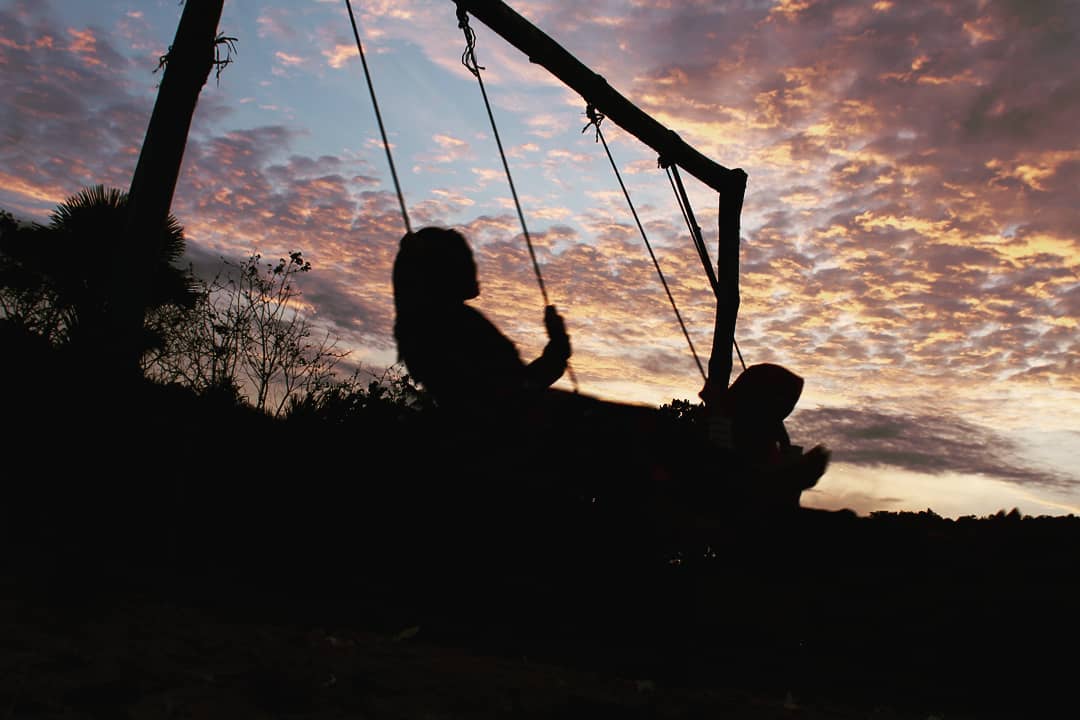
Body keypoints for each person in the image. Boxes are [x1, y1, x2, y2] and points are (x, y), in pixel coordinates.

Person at [391, 226, 828, 517]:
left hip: (527, 416)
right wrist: (552, 360)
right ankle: (753, 489)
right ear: (442, 271)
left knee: (655, 439)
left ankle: (751, 487)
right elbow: (496, 394)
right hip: (527, 424)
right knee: (653, 438)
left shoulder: (443, 321)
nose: (474, 265)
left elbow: (505, 386)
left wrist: (555, 355)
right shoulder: (437, 323)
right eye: (464, 259)